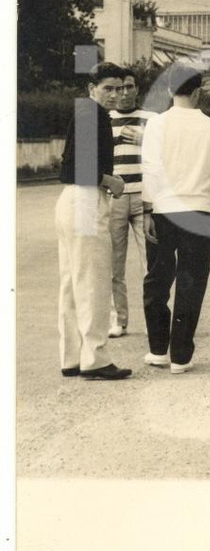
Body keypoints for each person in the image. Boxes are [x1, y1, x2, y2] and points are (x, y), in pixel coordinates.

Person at [140, 63, 210, 374]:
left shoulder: (157, 125)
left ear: (168, 90)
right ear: (199, 88)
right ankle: (181, 354)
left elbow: (150, 168)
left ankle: (158, 348)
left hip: (163, 210)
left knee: (158, 280)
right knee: (192, 283)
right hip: (200, 210)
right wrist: (203, 193)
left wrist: (149, 208)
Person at [54, 60, 132, 380]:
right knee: (94, 282)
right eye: (107, 89)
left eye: (119, 88)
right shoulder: (92, 113)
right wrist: (111, 181)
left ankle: (72, 357)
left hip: (72, 202)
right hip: (85, 201)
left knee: (72, 282)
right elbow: (75, 167)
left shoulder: (88, 112)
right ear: (92, 89)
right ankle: (96, 358)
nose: (115, 95)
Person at [107, 67, 155, 337]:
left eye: (129, 87)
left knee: (151, 263)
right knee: (115, 264)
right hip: (114, 198)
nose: (124, 92)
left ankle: (154, 319)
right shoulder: (104, 118)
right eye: (119, 88)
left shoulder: (151, 119)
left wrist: (145, 138)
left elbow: (164, 151)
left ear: (137, 89)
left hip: (144, 198)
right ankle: (119, 320)